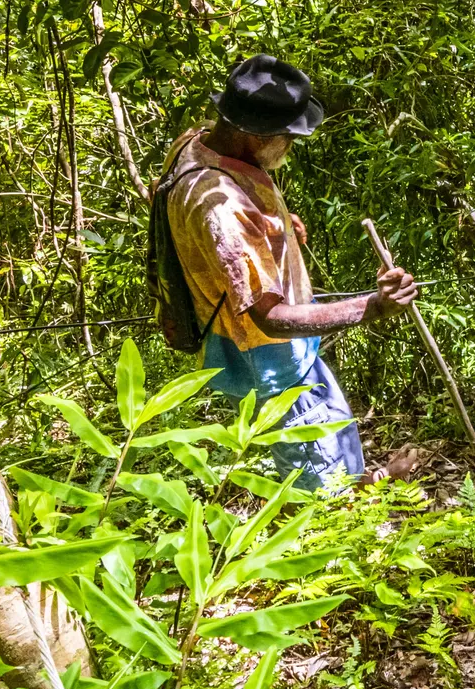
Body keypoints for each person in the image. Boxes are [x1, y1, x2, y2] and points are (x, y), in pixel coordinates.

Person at [162, 54, 417, 488]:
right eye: (288, 137)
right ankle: (358, 510)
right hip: (271, 360)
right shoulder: (222, 208)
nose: (291, 146)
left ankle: (363, 483)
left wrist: (274, 227)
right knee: (323, 485)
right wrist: (371, 306)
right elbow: (270, 317)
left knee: (333, 440)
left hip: (284, 356)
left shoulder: (200, 142)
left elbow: (223, 241)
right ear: (255, 135)